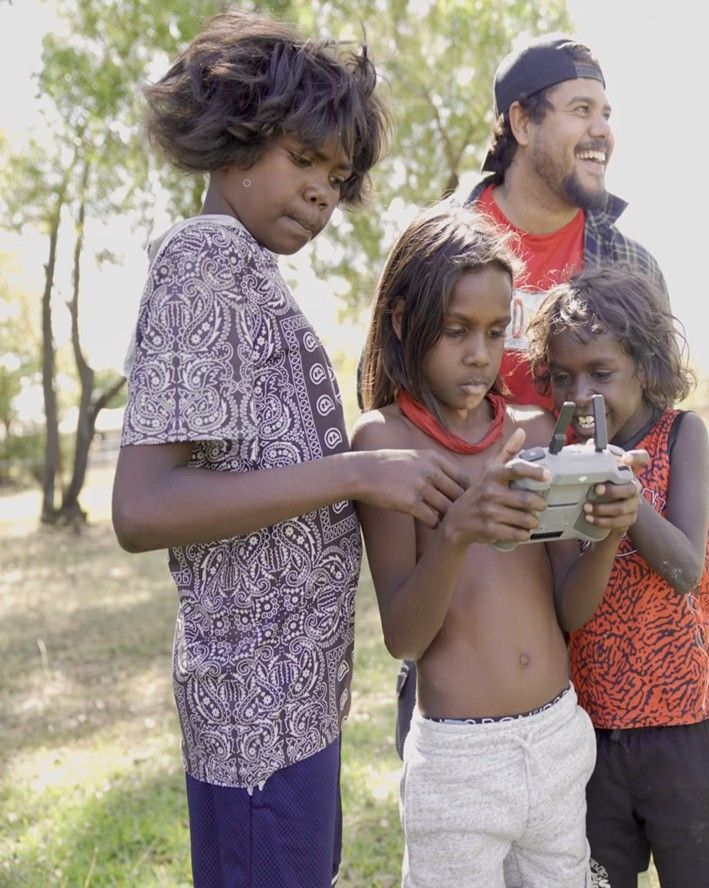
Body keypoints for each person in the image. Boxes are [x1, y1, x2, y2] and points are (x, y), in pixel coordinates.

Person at [112, 12, 468, 886]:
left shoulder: (248, 271)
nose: (320, 193)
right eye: (303, 159)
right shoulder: (205, 260)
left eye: (336, 176)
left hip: (292, 709)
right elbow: (143, 505)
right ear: (235, 135)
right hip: (254, 718)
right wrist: (352, 473)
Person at [392, 30, 670, 758]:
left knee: (587, 847)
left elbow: (659, 431)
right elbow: (395, 413)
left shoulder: (630, 265)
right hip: (463, 614)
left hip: (594, 605)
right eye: (581, 109)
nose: (602, 130)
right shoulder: (440, 245)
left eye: (607, 113)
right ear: (520, 122)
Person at [353, 204, 645, 887]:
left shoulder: (536, 427)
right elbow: (405, 636)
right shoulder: (383, 443)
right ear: (404, 322)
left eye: (493, 330)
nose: (481, 354)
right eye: (456, 331)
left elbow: (569, 611)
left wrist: (607, 531)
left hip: (555, 738)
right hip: (460, 763)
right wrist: (458, 530)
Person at [525, 265, 709, 888]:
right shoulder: (562, 462)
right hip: (592, 731)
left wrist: (627, 501)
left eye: (601, 372)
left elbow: (684, 567)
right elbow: (570, 611)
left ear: (645, 367)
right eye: (563, 377)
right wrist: (594, 506)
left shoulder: (683, 435)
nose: (581, 393)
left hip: (682, 724)